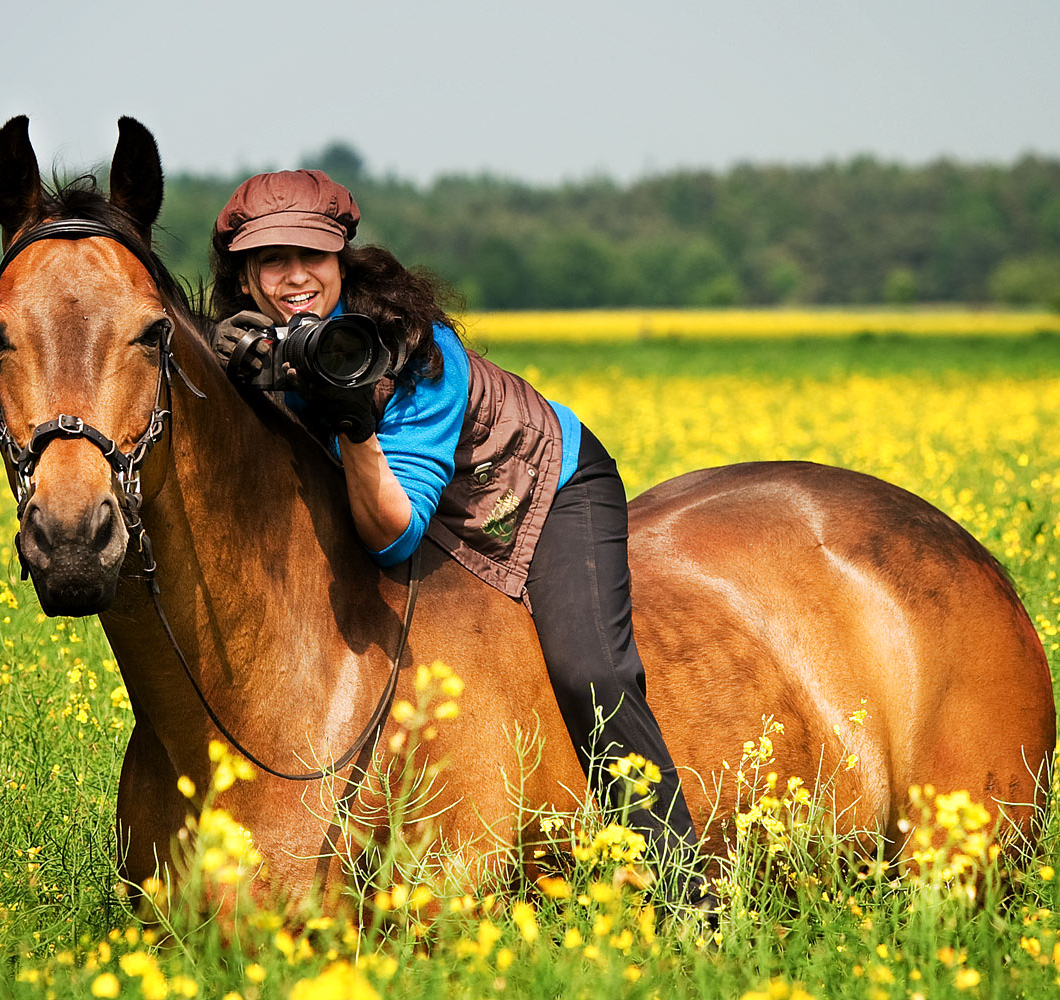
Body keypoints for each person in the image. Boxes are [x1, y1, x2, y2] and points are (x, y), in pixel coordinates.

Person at [207, 169, 710, 907]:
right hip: (419, 504)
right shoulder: (260, 347)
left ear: (342, 258)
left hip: (543, 488)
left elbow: (393, 539)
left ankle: (685, 891)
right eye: (272, 260)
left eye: (311, 257)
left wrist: (352, 417)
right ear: (245, 277)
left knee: (588, 674)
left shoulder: (415, 352)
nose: (294, 277)